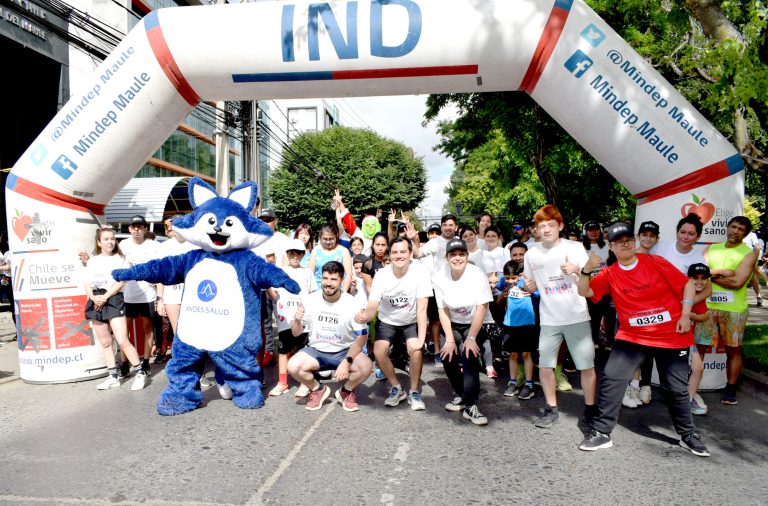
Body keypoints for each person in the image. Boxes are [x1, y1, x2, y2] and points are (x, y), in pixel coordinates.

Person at [576, 222, 710, 457]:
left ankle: (688, 435)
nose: (625, 244)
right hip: (632, 336)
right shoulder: (609, 273)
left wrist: (685, 314)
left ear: (635, 241)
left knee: (676, 388)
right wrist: (586, 270)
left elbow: (688, 285)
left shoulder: (655, 262)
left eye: (629, 240)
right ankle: (602, 432)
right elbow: (584, 291)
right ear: (611, 246)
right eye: (619, 242)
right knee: (612, 377)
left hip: (670, 335)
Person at [523, 204, 596, 429]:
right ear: (537, 229)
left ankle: (590, 411)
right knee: (545, 367)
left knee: (586, 367)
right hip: (549, 319)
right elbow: (528, 283)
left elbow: (591, 281)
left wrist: (577, 269)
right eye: (542, 226)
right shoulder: (531, 253)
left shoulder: (575, 247)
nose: (546, 230)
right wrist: (528, 286)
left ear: (560, 226)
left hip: (577, 316)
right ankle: (551, 409)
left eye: (551, 225)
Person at [356, 237, 431, 410]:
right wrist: (363, 316)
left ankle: (413, 391)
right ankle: (397, 388)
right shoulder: (382, 275)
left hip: (411, 320)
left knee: (416, 350)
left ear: (410, 253)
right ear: (389, 255)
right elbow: (372, 305)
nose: (399, 255)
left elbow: (422, 309)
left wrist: (421, 341)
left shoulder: (420, 272)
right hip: (388, 321)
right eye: (395, 252)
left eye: (403, 251)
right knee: (379, 351)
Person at [287, 261, 373, 412]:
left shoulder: (352, 303)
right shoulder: (309, 300)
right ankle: (317, 389)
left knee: (366, 366)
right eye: (325, 278)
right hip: (316, 351)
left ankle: (346, 391)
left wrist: (347, 361)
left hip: (343, 351)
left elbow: (362, 338)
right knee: (293, 366)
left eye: (333, 279)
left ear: (341, 281)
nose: (328, 283)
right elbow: (296, 333)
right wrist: (297, 320)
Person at [432, 239, 493, 426]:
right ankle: (461, 394)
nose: (457, 258)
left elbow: (482, 307)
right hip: (452, 322)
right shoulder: (439, 276)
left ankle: (471, 405)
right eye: (453, 254)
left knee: (469, 355)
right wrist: (450, 340)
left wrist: (471, 338)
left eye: (461, 254)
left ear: (467, 256)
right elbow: (442, 310)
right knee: (447, 355)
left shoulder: (477, 274)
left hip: (474, 323)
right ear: (447, 257)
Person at [699, 216, 757, 406]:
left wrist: (711, 274)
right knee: (700, 347)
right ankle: (692, 385)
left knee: (733, 349)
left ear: (745, 234)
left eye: (740, 229)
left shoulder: (749, 253)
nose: (735, 231)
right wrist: (724, 272)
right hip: (708, 306)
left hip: (734, 310)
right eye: (733, 226)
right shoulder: (712, 248)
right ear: (727, 227)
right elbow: (699, 273)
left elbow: (737, 282)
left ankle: (730, 389)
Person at [84, 227, 148, 391]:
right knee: (106, 342)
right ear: (99, 242)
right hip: (95, 300)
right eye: (106, 239)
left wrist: (105, 297)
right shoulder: (93, 261)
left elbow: (121, 282)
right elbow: (87, 282)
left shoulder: (121, 259)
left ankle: (140, 373)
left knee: (122, 340)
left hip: (113, 299)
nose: (110, 242)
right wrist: (94, 297)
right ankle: (113, 376)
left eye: (112, 238)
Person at [408, 214, 459, 368]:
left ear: (456, 227)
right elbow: (417, 254)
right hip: (438, 288)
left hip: (457, 287)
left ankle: (457, 351)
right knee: (436, 321)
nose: (448, 228)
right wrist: (412, 239)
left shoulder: (459, 241)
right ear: (442, 226)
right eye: (445, 225)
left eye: (451, 225)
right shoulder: (435, 242)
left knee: (456, 320)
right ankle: (437, 351)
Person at [269, 239, 316, 397]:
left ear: (303, 255)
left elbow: (312, 294)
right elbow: (274, 295)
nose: (295, 256)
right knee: (283, 350)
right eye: (292, 253)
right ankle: (282, 382)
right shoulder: (280, 272)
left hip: (303, 318)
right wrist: (267, 284)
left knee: (303, 350)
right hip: (284, 319)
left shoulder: (307, 272)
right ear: (287, 254)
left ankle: (304, 382)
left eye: (298, 254)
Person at [119, 215, 160, 374]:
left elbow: (161, 265)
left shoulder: (154, 245)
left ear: (145, 229)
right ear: (129, 229)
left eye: (140, 226)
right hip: (127, 295)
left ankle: (146, 363)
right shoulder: (123, 244)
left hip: (147, 295)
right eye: (133, 227)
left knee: (147, 329)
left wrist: (157, 279)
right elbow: (111, 260)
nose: (136, 229)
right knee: (124, 332)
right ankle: (124, 364)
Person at [498, 259, 538, 400]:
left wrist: (531, 291)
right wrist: (501, 294)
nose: (510, 281)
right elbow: (498, 290)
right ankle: (513, 382)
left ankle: (529, 385)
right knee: (513, 354)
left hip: (526, 323)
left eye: (513, 278)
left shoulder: (526, 283)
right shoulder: (503, 282)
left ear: (520, 275)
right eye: (507, 278)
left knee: (526, 354)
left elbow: (537, 294)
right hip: (510, 324)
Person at [307, 223, 354, 293]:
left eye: (331, 239)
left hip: (337, 292)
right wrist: (310, 292)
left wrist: (343, 293)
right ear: (320, 237)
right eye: (325, 239)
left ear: (336, 236)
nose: (328, 242)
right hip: (318, 291)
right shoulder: (316, 250)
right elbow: (310, 274)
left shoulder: (344, 251)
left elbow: (348, 275)